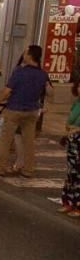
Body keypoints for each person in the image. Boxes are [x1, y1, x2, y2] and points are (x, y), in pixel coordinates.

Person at [0, 45, 48, 178]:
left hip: (15, 109)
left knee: (6, 140)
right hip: (32, 110)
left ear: (30, 56)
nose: (23, 55)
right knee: (29, 141)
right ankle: (28, 169)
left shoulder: (19, 72)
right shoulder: (42, 74)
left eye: (25, 53)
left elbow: (7, 91)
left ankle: (0, 168)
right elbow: (48, 91)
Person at [58, 79, 80, 217]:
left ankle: (77, 205)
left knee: (78, 173)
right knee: (71, 173)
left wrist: (73, 129)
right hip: (72, 140)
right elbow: (69, 122)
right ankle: (68, 202)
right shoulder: (76, 103)